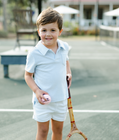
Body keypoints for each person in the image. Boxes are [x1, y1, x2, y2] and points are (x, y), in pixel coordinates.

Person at [25, 7, 72, 140]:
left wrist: (68, 73)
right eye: (44, 30)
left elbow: (66, 62)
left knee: (58, 130)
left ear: (60, 31)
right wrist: (37, 91)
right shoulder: (34, 53)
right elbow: (28, 75)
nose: (48, 34)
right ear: (38, 31)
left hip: (61, 99)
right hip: (42, 101)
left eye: (53, 30)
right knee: (43, 131)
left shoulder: (64, 47)